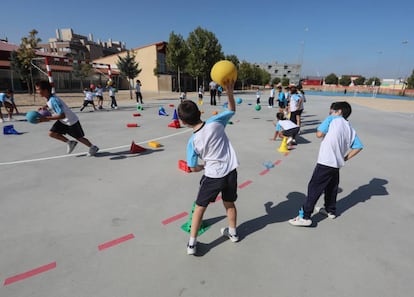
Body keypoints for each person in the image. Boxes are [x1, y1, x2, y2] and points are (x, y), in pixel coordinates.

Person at [177, 79, 239, 256]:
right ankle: (233, 232)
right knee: (229, 203)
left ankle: (192, 244)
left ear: (183, 122)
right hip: (231, 171)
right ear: (199, 112)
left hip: (213, 176)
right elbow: (232, 109)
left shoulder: (192, 142)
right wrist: (229, 92)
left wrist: (203, 167)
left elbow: (192, 167)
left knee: (199, 208)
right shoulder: (215, 122)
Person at [289, 101, 363, 226]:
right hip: (336, 164)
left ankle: (305, 216)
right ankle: (330, 210)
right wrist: (344, 158)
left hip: (326, 161)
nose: (330, 113)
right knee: (331, 188)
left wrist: (327, 124)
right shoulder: (349, 128)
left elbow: (319, 134)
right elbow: (358, 146)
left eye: (331, 111)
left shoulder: (332, 119)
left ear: (338, 111)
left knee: (314, 188)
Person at [35, 80, 99, 156]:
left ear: (45, 90)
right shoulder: (50, 97)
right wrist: (44, 107)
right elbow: (51, 104)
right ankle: (70, 143)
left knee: (79, 138)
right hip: (63, 121)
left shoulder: (53, 100)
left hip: (71, 121)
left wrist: (46, 118)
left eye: (38, 90)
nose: (37, 91)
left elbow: (62, 115)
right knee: (51, 133)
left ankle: (93, 147)